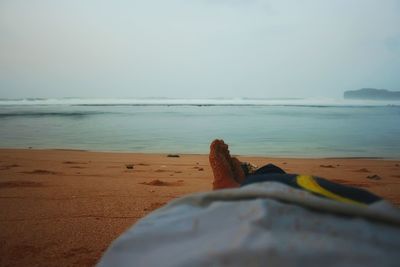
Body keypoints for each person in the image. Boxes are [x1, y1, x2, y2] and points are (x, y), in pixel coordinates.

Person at [98, 139, 400, 267]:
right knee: (286, 182)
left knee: (262, 190)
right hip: (374, 240)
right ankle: (250, 182)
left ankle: (234, 188)